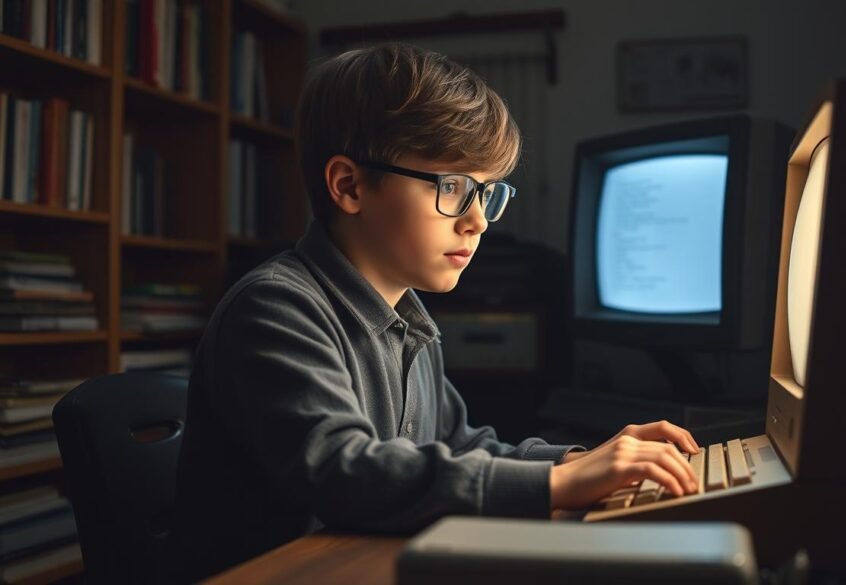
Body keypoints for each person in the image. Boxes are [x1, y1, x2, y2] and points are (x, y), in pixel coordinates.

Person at [169, 43, 701, 582]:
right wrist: (555, 489)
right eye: (453, 188)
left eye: (488, 194)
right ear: (349, 186)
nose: (478, 221)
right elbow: (342, 470)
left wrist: (571, 464)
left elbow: (458, 445)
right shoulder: (276, 308)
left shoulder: (406, 315)